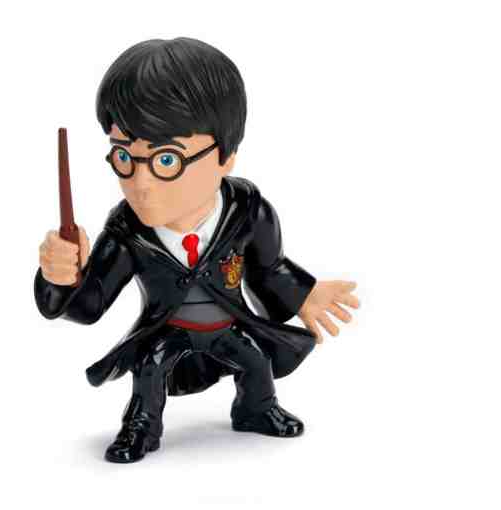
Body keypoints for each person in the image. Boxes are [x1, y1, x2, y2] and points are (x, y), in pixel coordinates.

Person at [35, 37, 360, 463]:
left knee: (256, 359)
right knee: (149, 369)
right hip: (166, 329)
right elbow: (91, 303)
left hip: (229, 324)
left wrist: (305, 293)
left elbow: (268, 269)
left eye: (167, 160)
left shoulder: (248, 211)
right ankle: (142, 425)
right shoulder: (126, 230)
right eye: (124, 157)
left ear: (225, 156)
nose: (141, 183)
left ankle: (256, 408)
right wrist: (60, 280)